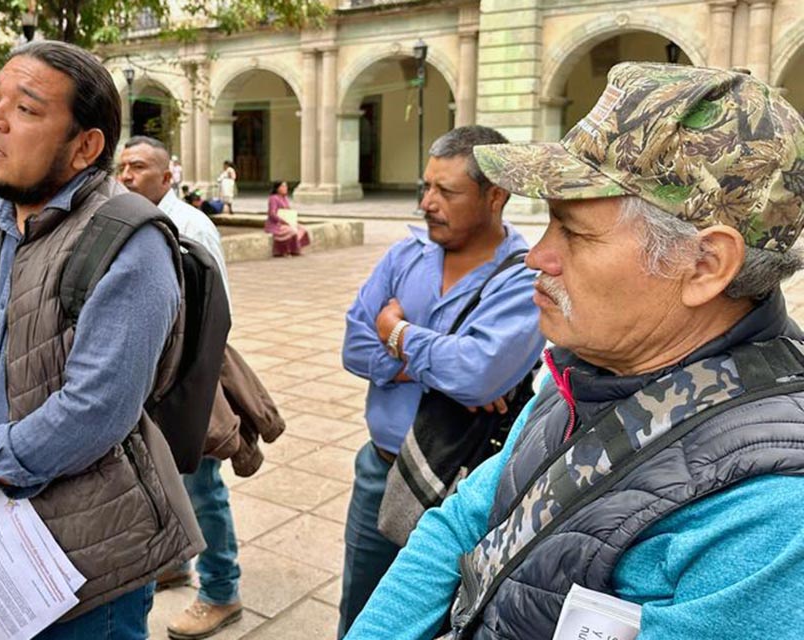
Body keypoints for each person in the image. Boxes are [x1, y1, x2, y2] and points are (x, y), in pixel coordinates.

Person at [348, 63, 804, 640]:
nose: (536, 256)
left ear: (705, 265)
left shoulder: (773, 522)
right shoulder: (590, 368)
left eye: (576, 232)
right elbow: (467, 520)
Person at [0, 40, 202, 639]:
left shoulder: (129, 242)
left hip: (82, 562)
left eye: (28, 109)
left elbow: (95, 411)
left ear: (85, 146)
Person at [338, 125, 545, 638]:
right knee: (362, 613)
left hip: (463, 487)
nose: (427, 203)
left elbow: (478, 374)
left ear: (495, 196)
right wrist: (442, 368)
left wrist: (398, 331)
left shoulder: (523, 277)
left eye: (446, 191)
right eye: (425, 187)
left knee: (441, 621)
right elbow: (354, 347)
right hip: (380, 472)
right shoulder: (404, 256)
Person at [117, 136, 239, 639]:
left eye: (140, 167)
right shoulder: (127, 221)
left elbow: (217, 316)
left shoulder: (189, 226)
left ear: (168, 178)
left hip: (186, 385)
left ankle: (221, 591)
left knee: (201, 487)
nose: (126, 176)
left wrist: (192, 393)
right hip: (145, 385)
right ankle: (176, 563)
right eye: (122, 167)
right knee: (154, 482)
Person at [266, 180, 311, 257]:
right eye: (283, 186)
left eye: (286, 186)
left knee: (302, 229)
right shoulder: (273, 198)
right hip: (276, 224)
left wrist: (292, 219)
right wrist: (282, 220)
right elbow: (272, 214)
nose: (285, 188)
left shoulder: (284, 198)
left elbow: (288, 210)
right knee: (292, 231)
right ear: (278, 188)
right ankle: (283, 251)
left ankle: (295, 249)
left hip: (287, 221)